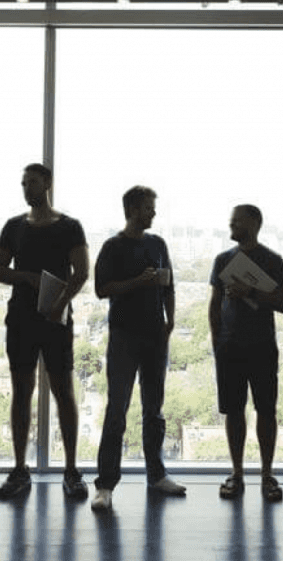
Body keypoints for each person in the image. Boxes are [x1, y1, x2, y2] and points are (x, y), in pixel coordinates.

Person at [0, 163, 89, 500]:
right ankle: (20, 469)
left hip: (56, 317)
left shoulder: (70, 226)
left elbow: (81, 272)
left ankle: (72, 469)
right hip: (21, 316)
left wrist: (60, 302)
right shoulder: (13, 227)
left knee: (64, 390)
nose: (26, 188)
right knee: (22, 390)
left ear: (47, 183)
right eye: (23, 183)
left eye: (31, 182)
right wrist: (30, 279)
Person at [90, 186, 185, 512]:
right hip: (124, 337)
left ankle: (156, 475)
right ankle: (105, 485)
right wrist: (138, 283)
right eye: (148, 208)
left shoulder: (158, 244)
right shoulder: (113, 247)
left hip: (155, 335)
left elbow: (169, 284)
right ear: (132, 209)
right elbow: (101, 289)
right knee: (117, 410)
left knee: (154, 411)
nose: (153, 213)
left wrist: (170, 321)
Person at [209, 204, 283, 503]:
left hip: (262, 345)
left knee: (266, 410)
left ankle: (267, 474)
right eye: (231, 221)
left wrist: (250, 292)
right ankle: (238, 472)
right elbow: (214, 304)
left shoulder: (272, 259)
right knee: (233, 410)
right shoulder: (221, 260)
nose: (231, 226)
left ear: (255, 223)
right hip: (229, 346)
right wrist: (217, 342)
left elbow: (282, 302)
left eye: (237, 222)